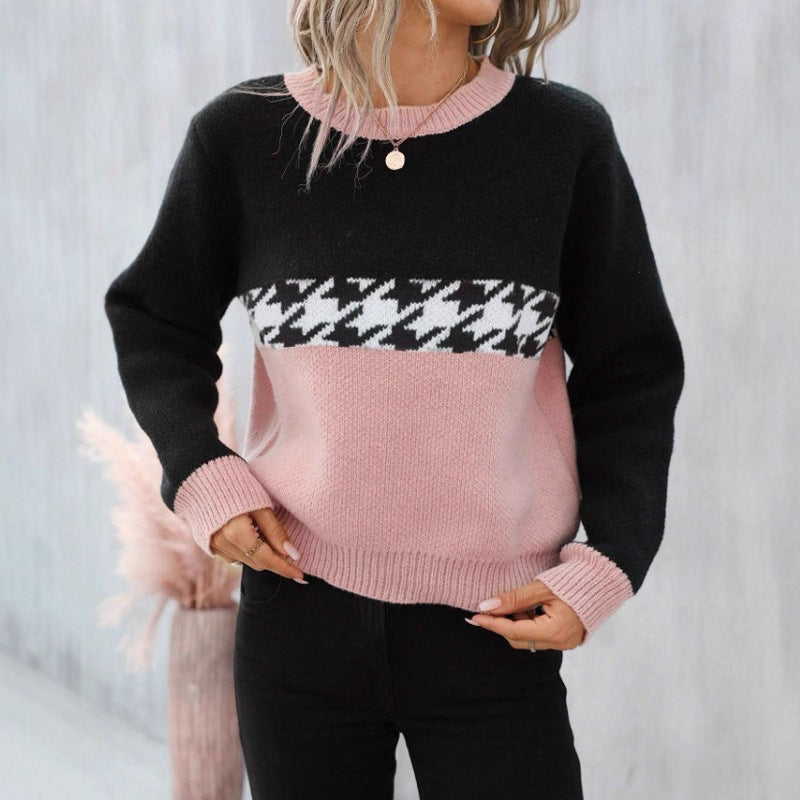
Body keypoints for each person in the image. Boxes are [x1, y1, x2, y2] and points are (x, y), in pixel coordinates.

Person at [103, 1, 685, 797]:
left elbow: (631, 367)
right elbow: (154, 318)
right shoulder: (244, 136)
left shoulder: (561, 140)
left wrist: (609, 562)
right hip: (296, 618)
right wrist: (203, 474)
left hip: (496, 627)